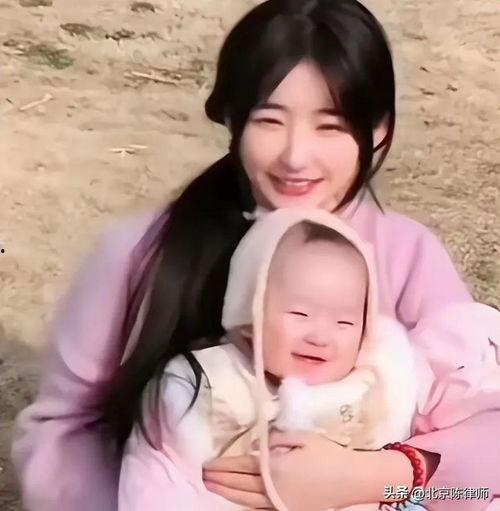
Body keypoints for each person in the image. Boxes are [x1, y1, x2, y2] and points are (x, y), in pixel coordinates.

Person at [11, 0, 500, 510]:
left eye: (330, 126)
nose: (295, 156)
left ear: (378, 131)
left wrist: (383, 475)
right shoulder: (138, 254)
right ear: (233, 119)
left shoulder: (408, 255)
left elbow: (487, 437)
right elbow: (64, 429)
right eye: (270, 120)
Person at [118, 208, 422, 511]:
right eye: (300, 314)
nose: (320, 337)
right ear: (248, 313)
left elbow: (430, 491)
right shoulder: (201, 389)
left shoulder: (379, 388)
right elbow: (155, 488)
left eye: (345, 323)